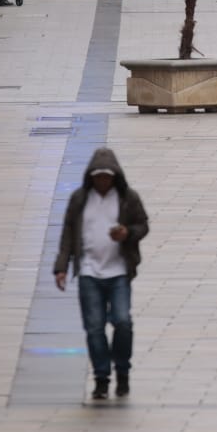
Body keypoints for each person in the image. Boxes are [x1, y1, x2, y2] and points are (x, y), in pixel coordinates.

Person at [52, 149, 150, 402]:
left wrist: (127, 233)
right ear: (91, 177)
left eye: (107, 177)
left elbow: (142, 225)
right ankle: (102, 378)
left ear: (115, 176)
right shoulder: (80, 199)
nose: (103, 181)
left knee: (122, 321)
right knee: (94, 327)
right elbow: (68, 234)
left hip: (119, 272)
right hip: (89, 272)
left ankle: (122, 371)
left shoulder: (127, 198)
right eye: (98, 177)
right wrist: (61, 267)